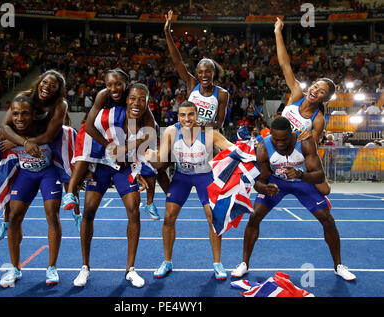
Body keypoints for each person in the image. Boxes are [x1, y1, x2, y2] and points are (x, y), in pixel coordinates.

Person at [231, 116, 356, 282]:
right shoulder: (263, 147)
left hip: (302, 181)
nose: (280, 143)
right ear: (271, 136)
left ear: (291, 134)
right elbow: (259, 182)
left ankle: (339, 266)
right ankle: (244, 264)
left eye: (284, 139)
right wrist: (265, 188)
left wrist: (300, 174)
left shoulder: (304, 142)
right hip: (277, 183)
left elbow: (319, 176)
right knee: (254, 216)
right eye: (276, 139)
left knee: (327, 219)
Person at [145, 101, 237, 280]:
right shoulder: (172, 131)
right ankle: (167, 261)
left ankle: (217, 263)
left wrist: (245, 149)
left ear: (197, 116)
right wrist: (149, 155)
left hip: (204, 177)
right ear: (178, 116)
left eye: (190, 115)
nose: (187, 119)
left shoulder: (209, 133)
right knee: (168, 217)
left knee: (213, 218)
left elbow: (231, 148)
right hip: (182, 177)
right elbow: (161, 157)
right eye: (183, 115)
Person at [73, 83, 152, 288]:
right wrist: (86, 167)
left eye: (142, 99)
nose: (136, 103)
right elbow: (87, 132)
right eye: (133, 98)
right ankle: (84, 267)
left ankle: (131, 269)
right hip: (100, 164)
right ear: (126, 99)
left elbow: (148, 142)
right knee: (89, 211)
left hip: (124, 166)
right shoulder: (107, 113)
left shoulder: (147, 119)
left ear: (147, 102)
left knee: (134, 210)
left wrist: (139, 169)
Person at [62, 69, 165, 221]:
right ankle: (70, 193)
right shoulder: (104, 95)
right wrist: (109, 146)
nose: (113, 88)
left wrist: (131, 155)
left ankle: (150, 202)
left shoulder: (135, 98)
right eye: (109, 84)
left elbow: (150, 132)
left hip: (118, 136)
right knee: (84, 156)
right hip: (97, 131)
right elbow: (89, 127)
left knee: (150, 165)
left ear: (126, 85)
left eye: (118, 84)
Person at [0, 70, 81, 241]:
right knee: (7, 165)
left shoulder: (60, 104)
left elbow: (49, 136)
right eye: (45, 82)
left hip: (52, 138)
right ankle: (5, 222)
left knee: (68, 168)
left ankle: (77, 212)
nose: (47, 87)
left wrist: (20, 142)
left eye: (53, 86)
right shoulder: (24, 97)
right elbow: (4, 126)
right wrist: (23, 142)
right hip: (26, 137)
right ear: (39, 81)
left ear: (57, 90)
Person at [0, 96, 64, 287]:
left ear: (34, 114)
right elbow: (1, 146)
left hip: (48, 173)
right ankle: (15, 268)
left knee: (52, 215)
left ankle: (52, 267)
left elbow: (59, 139)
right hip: (26, 174)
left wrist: (22, 142)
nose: (19, 118)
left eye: (24, 113)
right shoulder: (7, 132)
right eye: (15, 113)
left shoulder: (46, 128)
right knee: (14, 216)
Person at [274, 17, 333, 196]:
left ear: (325, 99)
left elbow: (311, 149)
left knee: (325, 189)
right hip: (276, 144)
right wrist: (277, 32)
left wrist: (308, 139)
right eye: (316, 86)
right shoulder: (297, 93)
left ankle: (300, 178)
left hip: (295, 154)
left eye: (322, 91)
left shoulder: (318, 119)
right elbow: (285, 64)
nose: (316, 91)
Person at [164, 10, 228, 130]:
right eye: (200, 72)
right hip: (187, 132)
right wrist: (167, 33)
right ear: (197, 74)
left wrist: (202, 126)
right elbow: (178, 61)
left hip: (206, 134)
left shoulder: (222, 94)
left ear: (213, 73)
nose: (204, 75)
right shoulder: (192, 84)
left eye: (208, 71)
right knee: (169, 131)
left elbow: (219, 124)